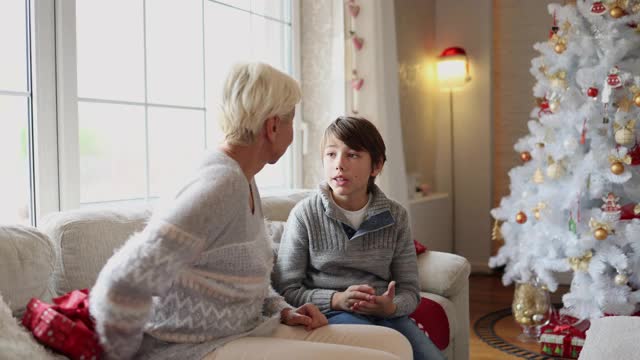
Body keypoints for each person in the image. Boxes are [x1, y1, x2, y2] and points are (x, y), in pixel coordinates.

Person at [90, 63, 412, 360]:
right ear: (273, 126)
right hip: (192, 349)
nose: (292, 132)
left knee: (397, 345)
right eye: (292, 121)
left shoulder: (244, 179)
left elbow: (244, 283)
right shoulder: (218, 184)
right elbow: (120, 282)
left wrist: (285, 310)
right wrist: (126, 353)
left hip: (246, 330)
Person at [274, 116, 445, 360]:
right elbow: (285, 289)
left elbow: (409, 289)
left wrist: (392, 306)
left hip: (386, 314)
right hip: (332, 314)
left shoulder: (396, 216)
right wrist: (336, 300)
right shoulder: (304, 214)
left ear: (376, 166)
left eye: (352, 154)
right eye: (331, 154)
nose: (339, 164)